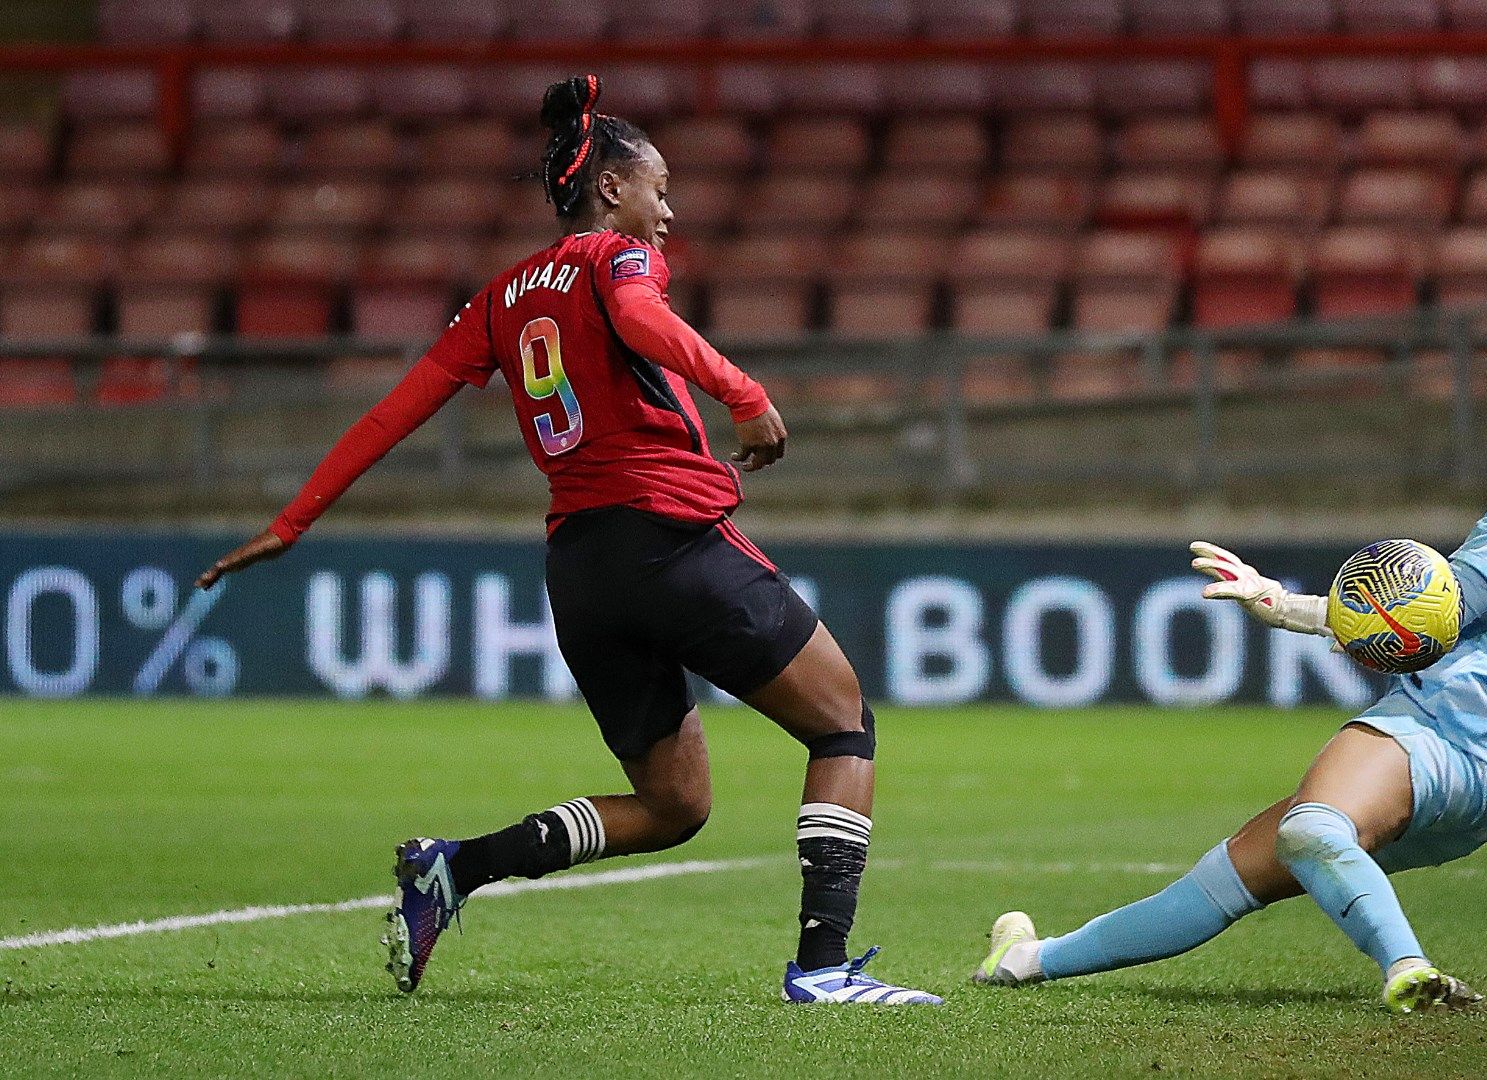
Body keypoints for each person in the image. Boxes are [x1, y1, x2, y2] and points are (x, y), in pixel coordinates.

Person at [196, 75, 939, 1005]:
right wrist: (746, 396)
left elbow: (393, 414)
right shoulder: (612, 260)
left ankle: (454, 869)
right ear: (613, 190)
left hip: (582, 572)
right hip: (667, 540)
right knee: (843, 721)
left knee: (676, 807)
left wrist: (290, 523)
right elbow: (636, 316)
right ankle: (825, 970)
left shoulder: (500, 298)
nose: (669, 213)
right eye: (659, 191)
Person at [973, 348, 1487, 1013]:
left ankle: (1410, 971)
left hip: (1440, 731)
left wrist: (1284, 607)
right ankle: (1027, 960)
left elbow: (1444, 610)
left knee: (1312, 830)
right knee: (1230, 875)